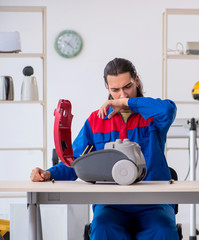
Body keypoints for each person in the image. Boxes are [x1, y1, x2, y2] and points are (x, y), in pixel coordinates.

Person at [30, 58, 179, 240]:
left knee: (162, 230)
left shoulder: (152, 117)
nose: (122, 94)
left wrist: (126, 104)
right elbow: (75, 161)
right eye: (115, 90)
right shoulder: (96, 120)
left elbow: (169, 110)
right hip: (112, 203)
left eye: (127, 87)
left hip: (153, 202)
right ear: (107, 88)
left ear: (137, 81)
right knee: (102, 227)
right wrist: (48, 174)